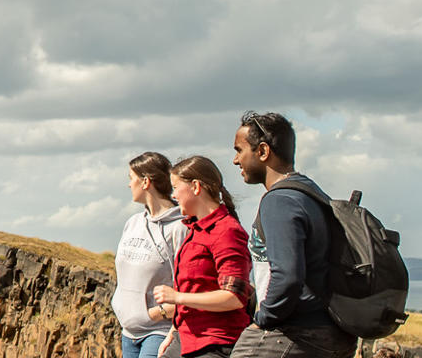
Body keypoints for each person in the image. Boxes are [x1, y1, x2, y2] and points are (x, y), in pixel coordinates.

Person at [230, 112, 357, 358]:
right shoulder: (311, 193)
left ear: (263, 151)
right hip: (330, 331)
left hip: (295, 332)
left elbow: (288, 275)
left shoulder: (280, 200)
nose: (235, 160)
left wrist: (263, 317)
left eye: (239, 150)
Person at [154, 155, 252, 357]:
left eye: (176, 187)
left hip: (214, 345)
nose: (174, 195)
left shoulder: (227, 231)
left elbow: (234, 297)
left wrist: (176, 297)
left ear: (196, 187)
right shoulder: (196, 229)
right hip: (186, 338)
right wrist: (173, 333)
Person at [115, 152, 186, 358]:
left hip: (159, 331)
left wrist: (157, 313)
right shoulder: (133, 223)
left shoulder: (179, 227)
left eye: (131, 178)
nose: (129, 185)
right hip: (128, 332)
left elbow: (187, 282)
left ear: (145, 181)